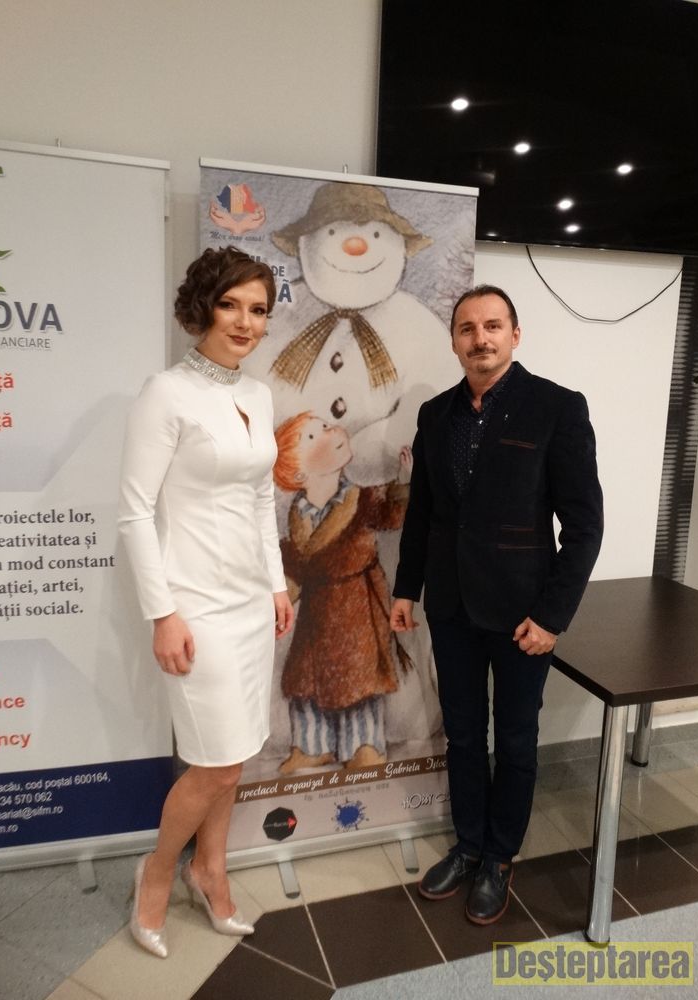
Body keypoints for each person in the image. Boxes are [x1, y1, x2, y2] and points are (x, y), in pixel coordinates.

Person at [390, 284, 603, 925]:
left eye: (492, 326)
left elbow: (584, 527)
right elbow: (424, 515)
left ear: (515, 334)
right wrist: (406, 588)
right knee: (461, 734)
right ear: (454, 341)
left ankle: (500, 858)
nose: (479, 338)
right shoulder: (435, 414)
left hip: (522, 617)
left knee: (514, 740)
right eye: (467, 328)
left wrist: (553, 618)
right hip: (452, 608)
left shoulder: (557, 407)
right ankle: (469, 845)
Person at [118, 246, 294, 958]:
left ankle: (210, 869)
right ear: (202, 308)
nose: (245, 322)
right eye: (230, 305)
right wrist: (162, 613)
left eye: (258, 310)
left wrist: (276, 584)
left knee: (237, 752)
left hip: (250, 603)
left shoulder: (259, 395)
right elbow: (134, 512)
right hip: (193, 605)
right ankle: (159, 871)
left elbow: (259, 499)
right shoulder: (165, 393)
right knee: (215, 762)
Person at [272, 412, 412, 773]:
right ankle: (310, 745)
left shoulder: (362, 499)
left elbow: (392, 516)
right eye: (313, 435)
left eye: (327, 425)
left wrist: (403, 482)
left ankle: (363, 745)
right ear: (298, 473)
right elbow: (294, 566)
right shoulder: (298, 516)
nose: (331, 430)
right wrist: (280, 599)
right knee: (305, 682)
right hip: (315, 617)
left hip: (357, 609)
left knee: (358, 681)